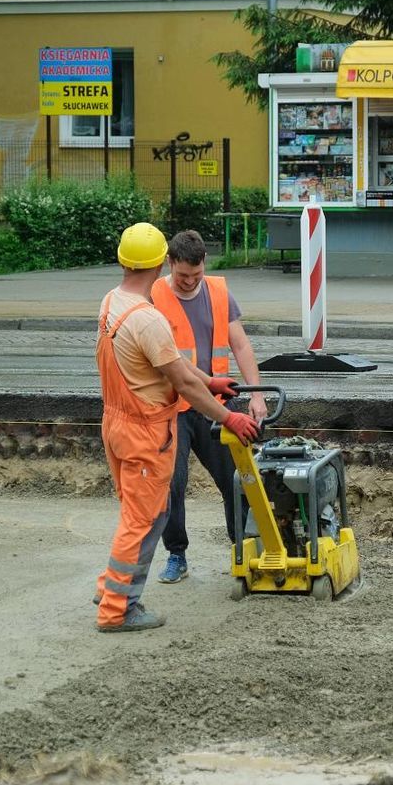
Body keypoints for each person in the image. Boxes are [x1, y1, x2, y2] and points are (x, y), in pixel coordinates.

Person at [93, 222, 260, 633]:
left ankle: (110, 586)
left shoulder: (114, 302)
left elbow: (179, 367)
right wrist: (228, 415)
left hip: (117, 422)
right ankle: (118, 608)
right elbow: (180, 380)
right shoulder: (148, 317)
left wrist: (210, 381)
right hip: (146, 428)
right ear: (160, 265)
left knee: (143, 511)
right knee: (145, 516)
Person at [150, 230, 269, 585]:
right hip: (172, 406)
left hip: (216, 403)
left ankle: (244, 548)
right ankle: (176, 554)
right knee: (172, 483)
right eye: (182, 276)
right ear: (170, 264)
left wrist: (257, 395)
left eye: (196, 275)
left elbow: (241, 346)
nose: (189, 283)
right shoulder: (153, 297)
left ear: (205, 264)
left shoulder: (218, 292)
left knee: (237, 478)